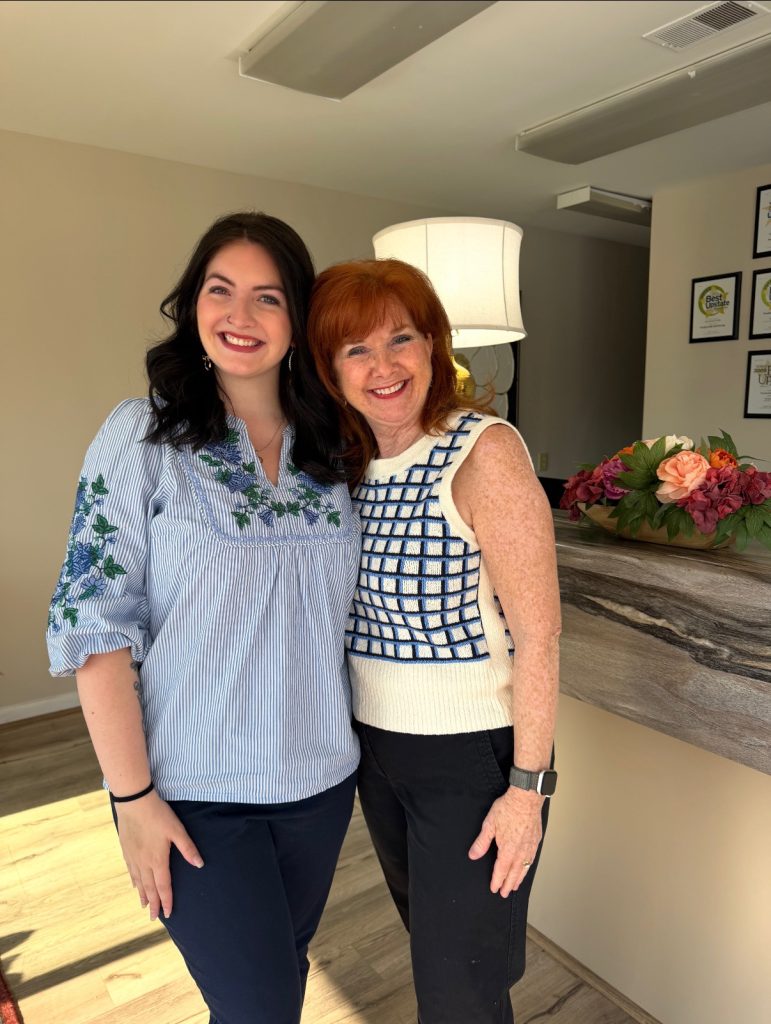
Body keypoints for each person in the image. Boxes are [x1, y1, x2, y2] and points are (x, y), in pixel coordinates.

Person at [46, 212, 360, 1024]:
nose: (239, 316)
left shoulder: (336, 449)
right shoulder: (141, 435)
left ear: (298, 322)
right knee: (258, 1008)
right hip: (193, 796)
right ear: (192, 305)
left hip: (321, 784)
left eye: (267, 298)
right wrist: (132, 800)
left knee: (277, 989)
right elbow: (94, 628)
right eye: (219, 291)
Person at [307, 258, 561, 1023]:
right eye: (355, 349)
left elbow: (541, 638)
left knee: (459, 993)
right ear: (329, 369)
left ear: (434, 345)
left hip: (472, 759)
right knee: (440, 952)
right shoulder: (346, 468)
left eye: (401, 338)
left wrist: (527, 791)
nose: (382, 366)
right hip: (377, 753)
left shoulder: (483, 452)